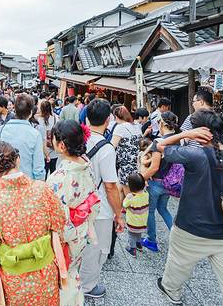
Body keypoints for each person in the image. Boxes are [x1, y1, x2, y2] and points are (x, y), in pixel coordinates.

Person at [152, 109, 223, 306]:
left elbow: (159, 145)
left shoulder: (194, 155)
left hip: (190, 228)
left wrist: (185, 135)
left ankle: (172, 291)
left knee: (177, 265)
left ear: (200, 131)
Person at [0, 141, 66, 305]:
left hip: (13, 278)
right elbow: (59, 223)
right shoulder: (43, 189)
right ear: (18, 159)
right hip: (45, 272)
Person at [47, 120, 100, 305]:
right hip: (82, 230)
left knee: (62, 275)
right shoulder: (86, 165)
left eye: (53, 139)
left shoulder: (59, 178)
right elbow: (94, 202)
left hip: (65, 237)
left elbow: (55, 216)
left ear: (61, 145)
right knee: (72, 270)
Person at [80, 99, 124, 299]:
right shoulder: (106, 149)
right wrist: (118, 214)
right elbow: (110, 186)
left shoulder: (77, 140)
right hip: (98, 209)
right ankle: (87, 286)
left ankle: (72, 279)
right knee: (95, 249)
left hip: (76, 204)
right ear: (108, 120)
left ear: (87, 118)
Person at [140, 111, 178, 252]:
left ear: (162, 123)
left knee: (150, 211)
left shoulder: (159, 142)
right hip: (169, 182)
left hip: (155, 182)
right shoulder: (178, 140)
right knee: (163, 209)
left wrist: (141, 179)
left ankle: (151, 240)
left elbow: (154, 167)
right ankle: (178, 238)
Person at [0, 93, 45, 181]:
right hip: (27, 183)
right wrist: (40, 182)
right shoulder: (35, 134)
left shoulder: (1, 130)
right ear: (31, 113)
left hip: (4, 182)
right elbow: (38, 168)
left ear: (15, 109)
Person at [110, 106, 142, 195]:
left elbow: (112, 146)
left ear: (116, 117)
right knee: (120, 189)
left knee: (129, 195)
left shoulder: (120, 127)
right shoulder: (137, 126)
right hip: (137, 164)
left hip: (126, 165)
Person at [123, 172, 149, 257]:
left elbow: (124, 205)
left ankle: (132, 249)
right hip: (142, 221)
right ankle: (139, 245)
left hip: (132, 222)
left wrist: (127, 197)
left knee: (131, 235)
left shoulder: (131, 197)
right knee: (138, 233)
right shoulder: (146, 194)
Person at [37, 100, 59, 177]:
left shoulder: (38, 120)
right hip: (53, 149)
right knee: (53, 171)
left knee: (44, 172)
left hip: (42, 150)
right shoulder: (56, 118)